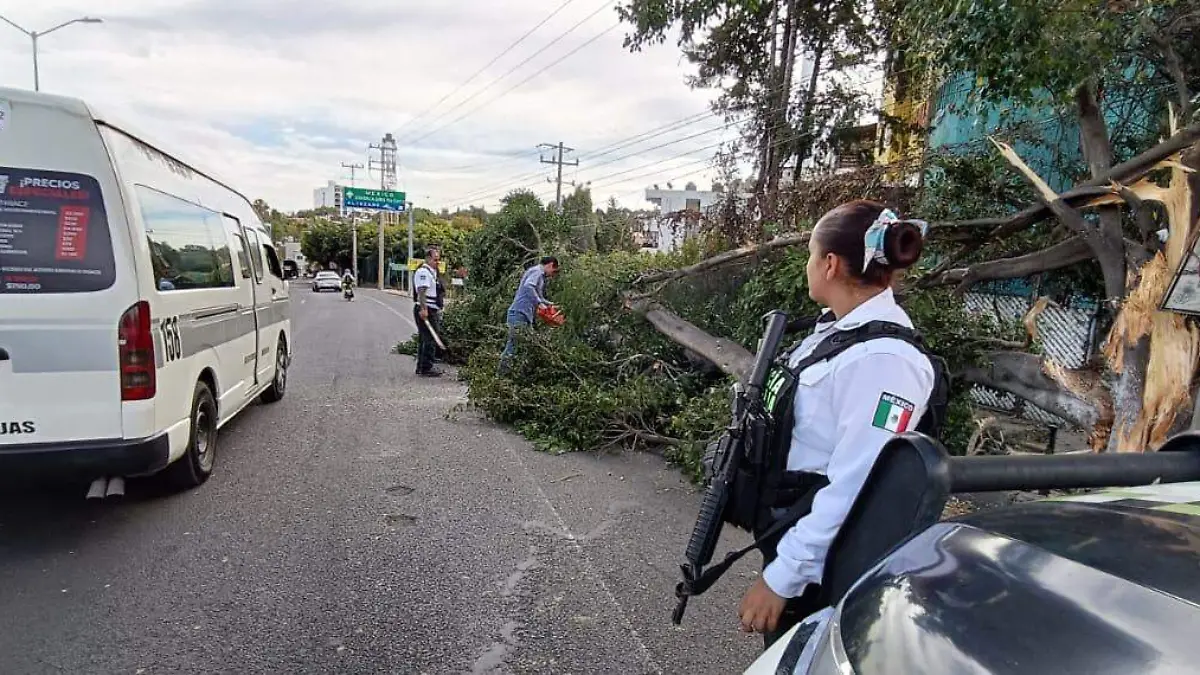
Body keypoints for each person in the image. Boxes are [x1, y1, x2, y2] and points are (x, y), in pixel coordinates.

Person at [736, 200, 936, 646]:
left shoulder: (884, 360)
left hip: (830, 568)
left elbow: (855, 483)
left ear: (829, 264)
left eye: (810, 254)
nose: (807, 265)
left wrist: (782, 578)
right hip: (793, 530)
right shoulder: (836, 334)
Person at [498, 256, 559, 375]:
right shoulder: (537, 271)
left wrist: (550, 305)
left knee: (526, 345)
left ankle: (516, 374)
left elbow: (538, 296)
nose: (552, 274)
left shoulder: (538, 274)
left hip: (525, 315)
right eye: (553, 271)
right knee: (514, 344)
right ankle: (501, 375)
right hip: (519, 313)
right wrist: (539, 303)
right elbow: (528, 286)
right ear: (550, 265)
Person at [412, 247, 443, 377]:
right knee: (429, 339)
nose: (437, 262)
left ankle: (421, 366)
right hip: (426, 309)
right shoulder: (423, 272)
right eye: (435, 259)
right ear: (428, 258)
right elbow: (421, 291)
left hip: (431, 308)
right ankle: (426, 367)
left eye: (438, 259)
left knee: (425, 338)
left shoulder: (431, 272)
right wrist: (424, 309)